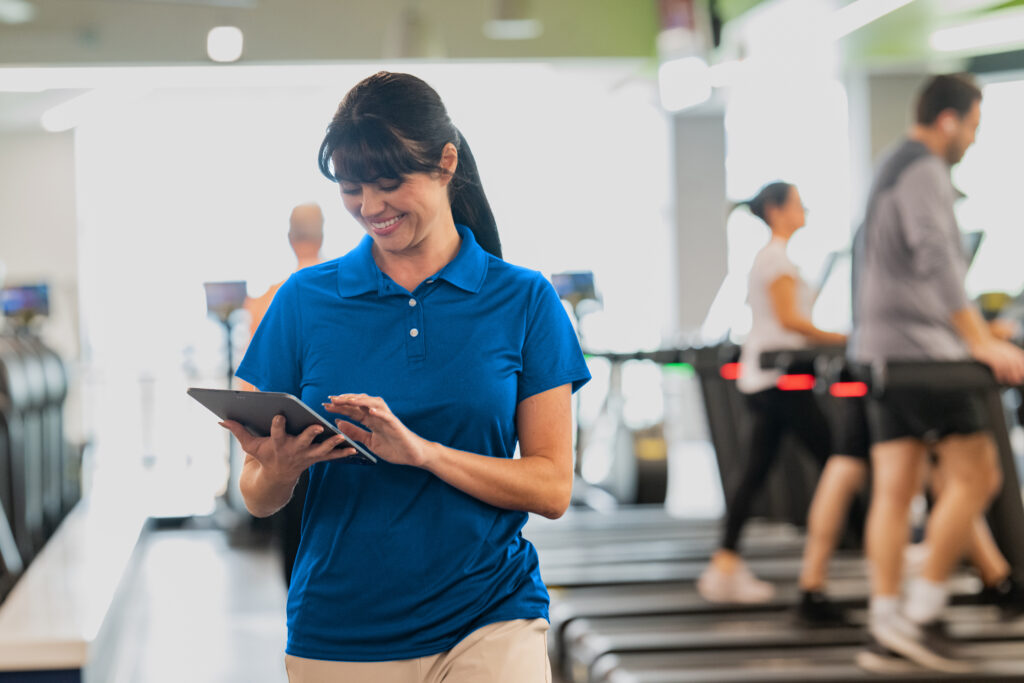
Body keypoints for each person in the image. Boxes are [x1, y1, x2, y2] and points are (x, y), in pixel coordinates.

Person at [220, 71, 590, 682]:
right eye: (351, 188)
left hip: (489, 616)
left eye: (389, 183)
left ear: (446, 163)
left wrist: (422, 453)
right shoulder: (304, 300)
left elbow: (551, 488)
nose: (370, 207)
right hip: (339, 630)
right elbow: (257, 495)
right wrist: (279, 470)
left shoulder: (524, 299)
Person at [849, 73, 1024, 673]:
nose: (973, 140)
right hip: (922, 357)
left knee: (895, 486)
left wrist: (973, 331)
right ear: (949, 120)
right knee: (977, 475)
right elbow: (938, 259)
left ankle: (884, 622)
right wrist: (981, 341)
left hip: (883, 352)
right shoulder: (924, 169)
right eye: (973, 126)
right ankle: (922, 612)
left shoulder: (889, 164)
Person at [697, 181, 847, 604]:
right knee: (840, 461)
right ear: (778, 211)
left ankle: (724, 563)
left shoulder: (773, 257)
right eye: (799, 204)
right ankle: (879, 548)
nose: (805, 211)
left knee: (756, 471)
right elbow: (791, 321)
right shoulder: (775, 259)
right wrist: (842, 338)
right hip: (777, 378)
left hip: (769, 377)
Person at [239, 202, 326, 587]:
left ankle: (296, 603)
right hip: (335, 436)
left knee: (293, 536)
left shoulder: (269, 299)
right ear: (322, 236)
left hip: (284, 435)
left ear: (290, 239)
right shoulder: (344, 293)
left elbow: (252, 382)